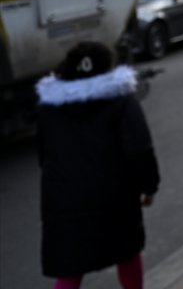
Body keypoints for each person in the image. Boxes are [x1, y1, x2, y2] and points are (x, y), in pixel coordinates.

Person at [36, 41, 160, 289]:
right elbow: (139, 149)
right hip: (115, 196)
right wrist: (149, 186)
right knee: (126, 253)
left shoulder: (49, 108)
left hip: (64, 199)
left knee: (70, 267)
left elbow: (44, 154)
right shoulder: (122, 102)